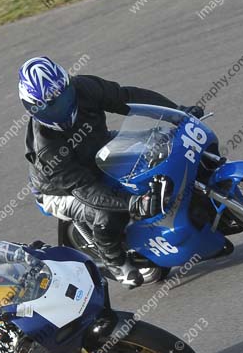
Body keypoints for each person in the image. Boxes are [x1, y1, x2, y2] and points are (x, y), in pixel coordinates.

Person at [19, 56, 203, 287]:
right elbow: (85, 189)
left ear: (68, 85)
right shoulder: (45, 147)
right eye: (51, 106)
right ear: (32, 107)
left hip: (101, 148)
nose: (62, 108)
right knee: (108, 213)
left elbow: (127, 97)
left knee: (161, 142)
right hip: (61, 190)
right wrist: (132, 202)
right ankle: (116, 262)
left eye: (64, 98)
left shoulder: (84, 87)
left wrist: (178, 113)